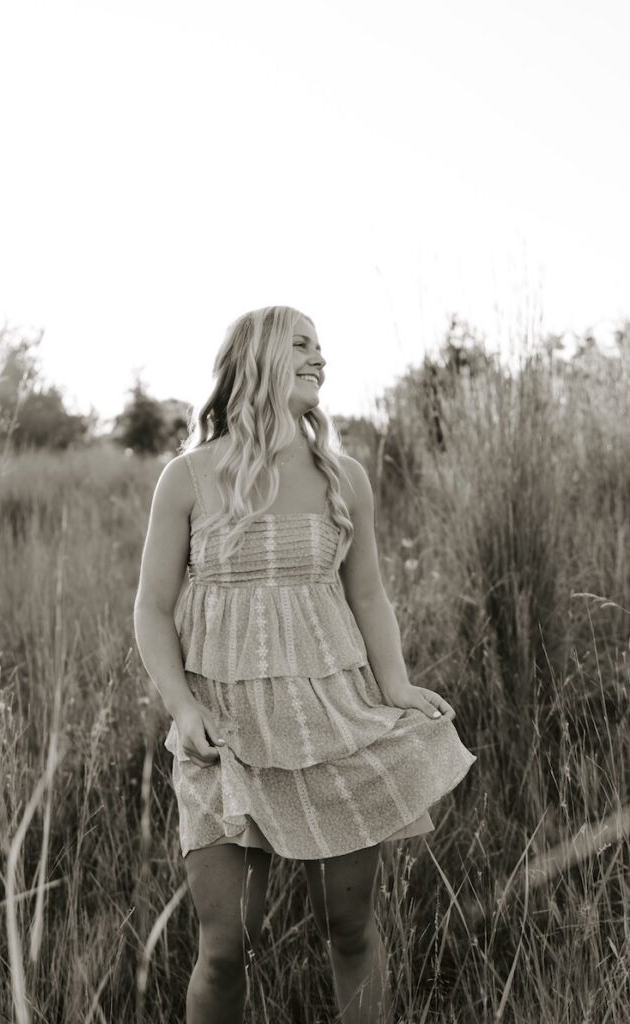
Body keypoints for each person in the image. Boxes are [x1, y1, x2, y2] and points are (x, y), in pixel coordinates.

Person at [133, 305, 477, 1023]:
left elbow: (369, 593)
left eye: (322, 346)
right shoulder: (188, 477)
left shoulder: (341, 476)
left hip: (333, 723)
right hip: (223, 735)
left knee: (347, 930)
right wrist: (183, 708)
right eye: (301, 345)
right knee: (226, 948)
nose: (320, 357)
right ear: (256, 358)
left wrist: (394, 684)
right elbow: (152, 609)